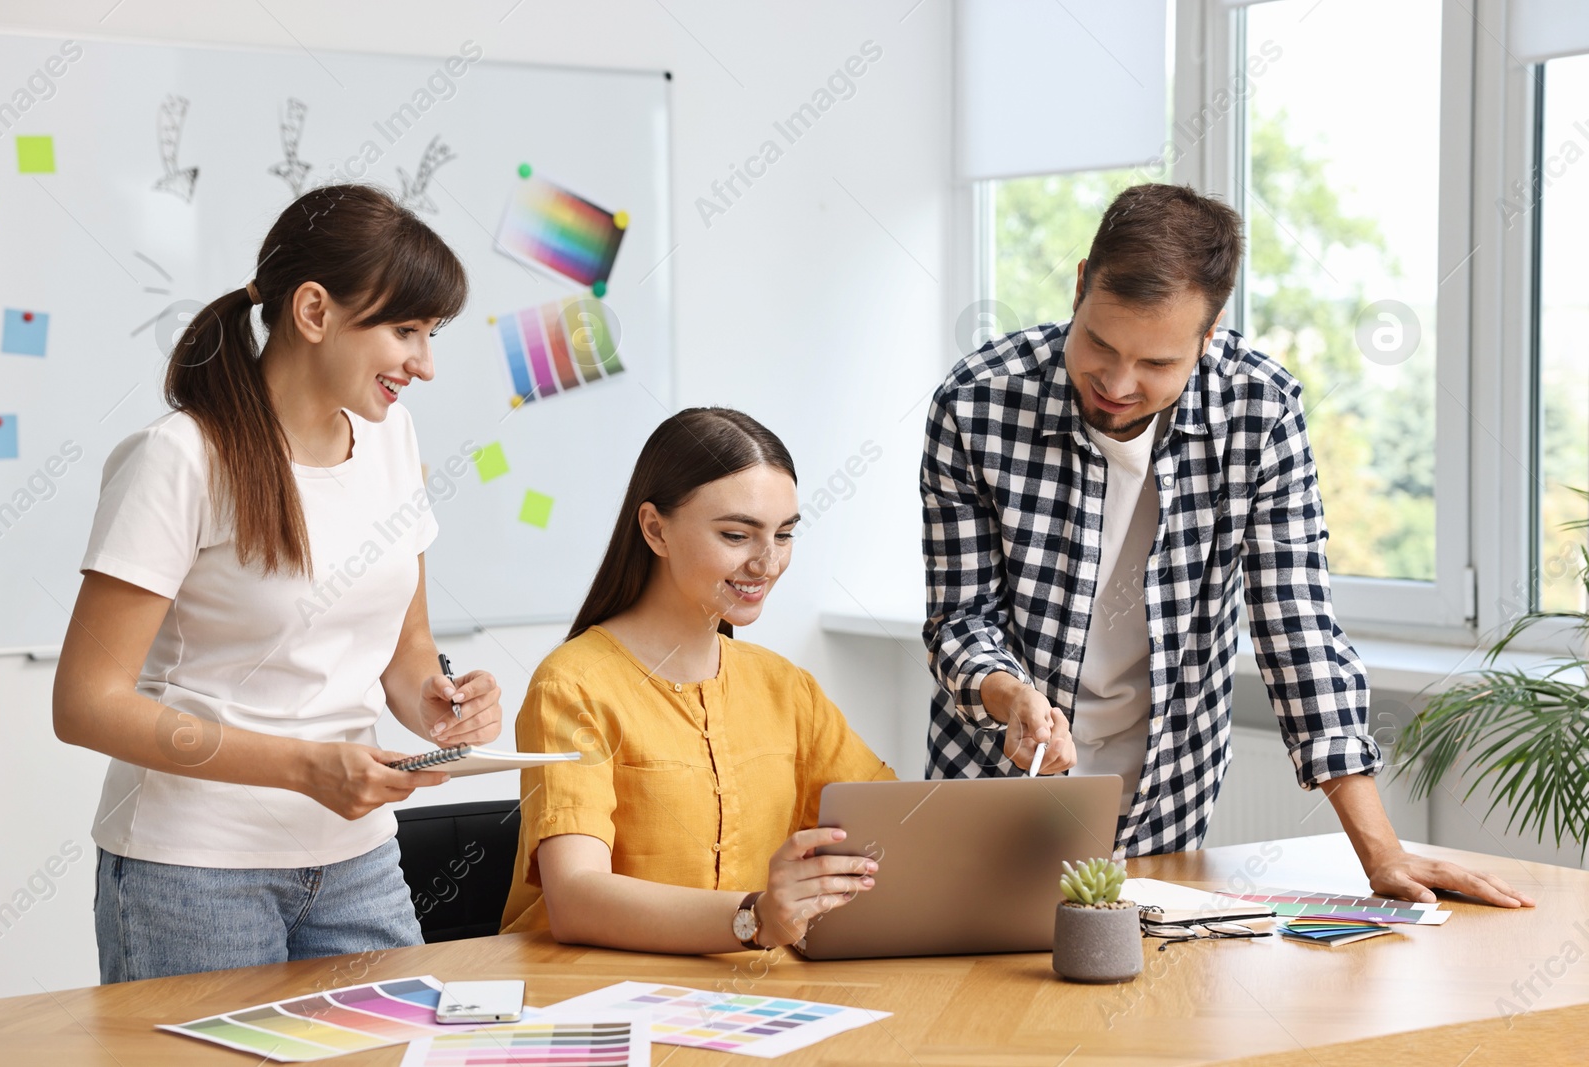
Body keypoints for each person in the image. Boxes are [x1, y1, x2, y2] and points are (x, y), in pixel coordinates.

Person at [922, 183, 1533, 909]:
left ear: (1207, 339)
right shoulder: (977, 403)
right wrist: (1011, 693)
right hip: (994, 785)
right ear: (1081, 284)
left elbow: (1297, 627)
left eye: (1156, 364)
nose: (1117, 384)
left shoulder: (1258, 410)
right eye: (1100, 345)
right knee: (986, 1008)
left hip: (1166, 799)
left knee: (1154, 1011)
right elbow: (961, 619)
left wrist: (1381, 853)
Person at [52, 184, 504, 983]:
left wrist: (439, 701)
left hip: (354, 857)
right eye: (405, 331)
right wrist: (303, 766)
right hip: (190, 870)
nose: (425, 365)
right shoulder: (180, 457)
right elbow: (87, 702)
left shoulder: (391, 437)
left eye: (431, 335)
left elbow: (408, 652)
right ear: (314, 311)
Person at [499, 408, 897, 952]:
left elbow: (895, 823)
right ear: (655, 529)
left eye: (783, 535)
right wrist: (756, 916)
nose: (767, 563)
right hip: (598, 997)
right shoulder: (572, 686)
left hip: (751, 997)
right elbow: (576, 897)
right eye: (737, 535)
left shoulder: (786, 687)